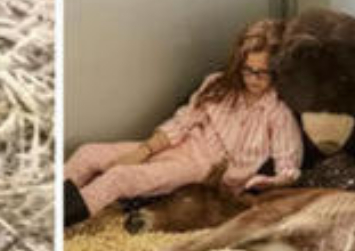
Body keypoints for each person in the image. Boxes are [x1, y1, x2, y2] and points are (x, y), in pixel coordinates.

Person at [64, 19, 302, 228]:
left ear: (278, 70)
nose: (252, 79)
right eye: (247, 70)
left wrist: (261, 182)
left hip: (204, 169)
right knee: (88, 153)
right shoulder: (217, 85)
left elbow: (288, 167)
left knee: (120, 178)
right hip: (180, 144)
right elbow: (182, 123)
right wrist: (142, 151)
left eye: (262, 73)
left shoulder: (279, 114)